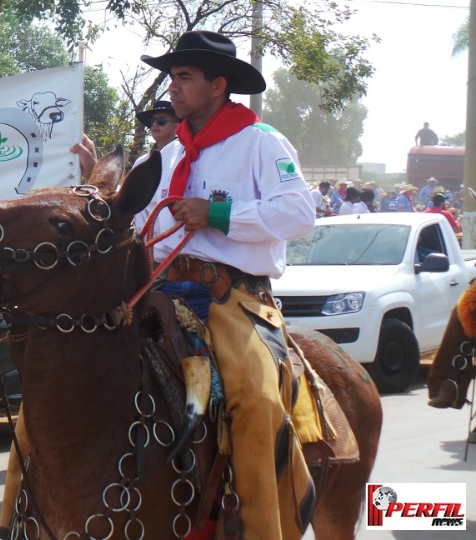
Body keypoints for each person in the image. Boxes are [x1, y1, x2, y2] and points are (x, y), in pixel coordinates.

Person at [135, 30, 317, 539]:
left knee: (256, 404)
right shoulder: (169, 156)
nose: (172, 88)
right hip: (161, 291)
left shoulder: (261, 142)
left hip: (231, 298)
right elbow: (142, 224)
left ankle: (265, 530)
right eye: (171, 77)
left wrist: (216, 213)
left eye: (184, 77)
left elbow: (301, 213)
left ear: (218, 86)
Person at [132, 100, 181, 168]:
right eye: (152, 121)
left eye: (161, 121)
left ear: (176, 127)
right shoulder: (141, 162)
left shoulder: (183, 155)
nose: (154, 124)